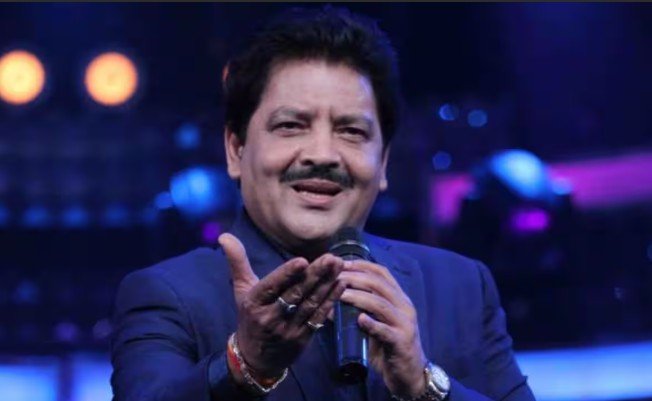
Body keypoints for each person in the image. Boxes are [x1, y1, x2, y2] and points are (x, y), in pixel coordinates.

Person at [110, 6, 536, 401]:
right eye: (291, 125)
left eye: (351, 131)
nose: (323, 155)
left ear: (383, 162)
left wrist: (424, 384)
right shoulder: (167, 296)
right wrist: (243, 365)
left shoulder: (461, 287)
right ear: (236, 150)